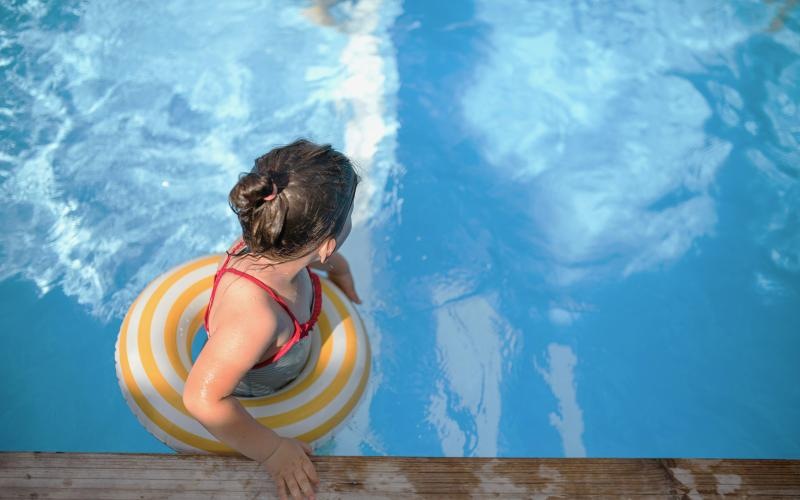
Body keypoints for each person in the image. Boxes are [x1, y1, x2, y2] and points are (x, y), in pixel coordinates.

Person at [183, 138, 362, 500]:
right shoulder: (255, 319)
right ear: (327, 244)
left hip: (270, 348)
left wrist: (340, 273)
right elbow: (202, 399)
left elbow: (318, 261)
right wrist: (274, 451)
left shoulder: (272, 240)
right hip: (257, 391)